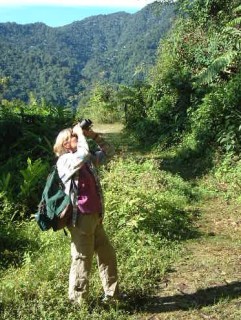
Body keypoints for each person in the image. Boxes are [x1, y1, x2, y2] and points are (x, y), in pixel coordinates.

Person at [53, 122, 118, 305]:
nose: (77, 137)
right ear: (66, 144)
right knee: (82, 259)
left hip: (95, 216)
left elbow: (109, 153)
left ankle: (112, 297)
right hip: (80, 217)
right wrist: (81, 134)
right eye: (73, 136)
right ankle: (77, 303)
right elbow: (82, 153)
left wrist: (94, 136)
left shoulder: (86, 160)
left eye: (76, 136)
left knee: (107, 254)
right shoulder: (65, 161)